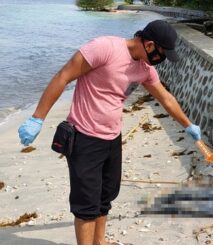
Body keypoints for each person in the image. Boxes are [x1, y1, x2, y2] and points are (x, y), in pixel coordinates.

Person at [18, 20, 201, 245]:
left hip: (112, 138)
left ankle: (99, 242)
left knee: (106, 195)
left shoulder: (145, 69)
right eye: (162, 53)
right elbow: (63, 76)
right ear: (150, 45)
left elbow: (165, 98)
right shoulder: (104, 48)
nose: (162, 60)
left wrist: (188, 125)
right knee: (86, 203)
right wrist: (37, 118)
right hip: (84, 137)